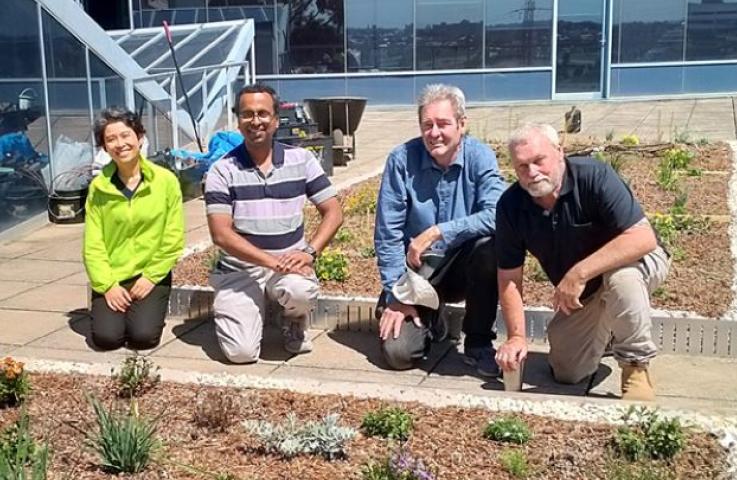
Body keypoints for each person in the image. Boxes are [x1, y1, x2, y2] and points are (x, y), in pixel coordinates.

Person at [494, 124, 670, 401]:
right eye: (522, 166)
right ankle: (609, 332)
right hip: (585, 291)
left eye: (539, 161)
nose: (532, 173)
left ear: (559, 152)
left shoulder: (595, 176)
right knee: (567, 372)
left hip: (638, 262)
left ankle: (636, 368)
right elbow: (509, 278)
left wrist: (579, 272)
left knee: (620, 278)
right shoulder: (510, 206)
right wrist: (516, 336)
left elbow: (643, 238)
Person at [204, 84, 342, 363]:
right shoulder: (222, 170)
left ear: (276, 119)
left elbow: (334, 212)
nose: (256, 121)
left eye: (263, 113)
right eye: (247, 114)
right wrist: (270, 262)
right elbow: (221, 234)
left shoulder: (301, 160)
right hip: (240, 271)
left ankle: (293, 318)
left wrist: (309, 253)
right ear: (239, 121)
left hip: (289, 268)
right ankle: (250, 307)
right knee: (241, 354)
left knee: (299, 290)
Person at [374, 84, 506, 376]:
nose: (434, 133)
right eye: (427, 125)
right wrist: (397, 296)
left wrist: (438, 231)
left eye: (444, 124)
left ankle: (479, 342)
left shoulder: (480, 156)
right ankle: (429, 319)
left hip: (464, 268)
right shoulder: (401, 160)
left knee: (490, 246)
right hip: (416, 274)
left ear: (462, 124)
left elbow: (499, 215)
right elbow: (388, 234)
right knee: (398, 354)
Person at [83, 108, 185, 350]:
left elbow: (173, 237)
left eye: (126, 135)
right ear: (104, 147)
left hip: (150, 275)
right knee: (107, 339)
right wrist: (107, 285)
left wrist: (150, 277)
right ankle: (109, 310)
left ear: (139, 137)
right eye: (111, 139)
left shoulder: (165, 181)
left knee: (143, 337)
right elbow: (93, 245)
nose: (120, 144)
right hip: (113, 275)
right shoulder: (99, 188)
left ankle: (144, 311)